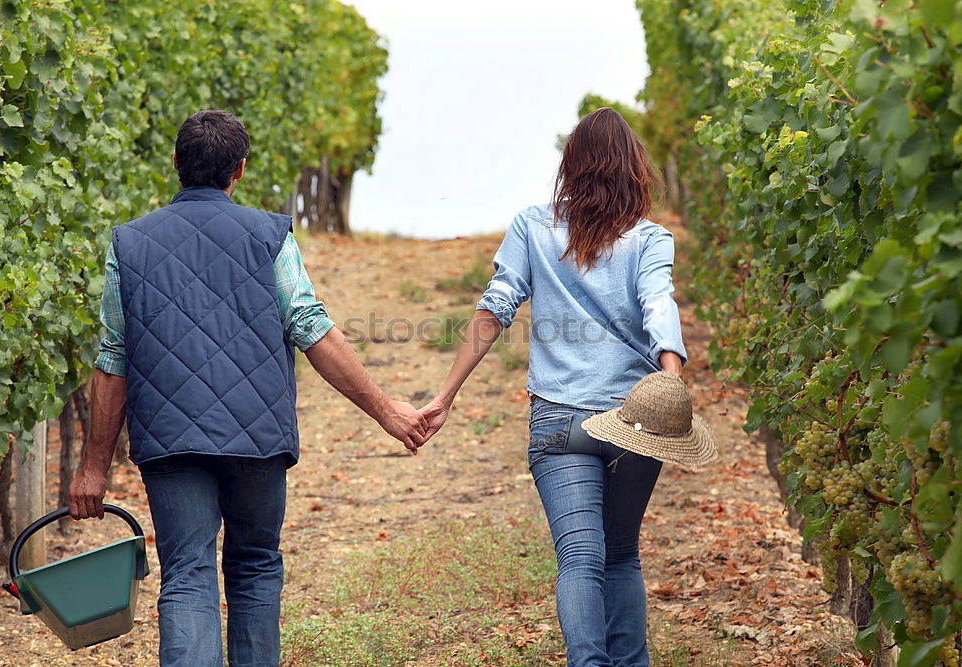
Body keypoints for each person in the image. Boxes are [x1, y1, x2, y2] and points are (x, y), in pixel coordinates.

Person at [68, 110, 430, 667]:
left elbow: (113, 360)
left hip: (171, 443)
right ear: (239, 170)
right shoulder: (270, 236)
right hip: (257, 440)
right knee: (256, 566)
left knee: (187, 574)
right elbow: (313, 330)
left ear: (175, 165)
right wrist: (386, 410)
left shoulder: (130, 244)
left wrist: (93, 467)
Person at [420, 108, 689, 666]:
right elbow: (659, 302)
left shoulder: (533, 228)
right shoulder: (648, 239)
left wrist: (444, 395)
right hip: (635, 419)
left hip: (560, 420)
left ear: (571, 166)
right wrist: (672, 381)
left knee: (579, 559)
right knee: (621, 557)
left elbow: (495, 307)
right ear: (633, 169)